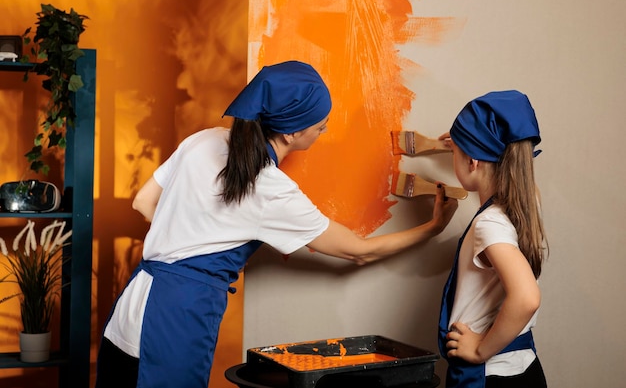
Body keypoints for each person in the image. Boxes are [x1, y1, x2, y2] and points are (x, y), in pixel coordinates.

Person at [95, 60, 458, 388]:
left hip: (136, 301)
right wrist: (433, 228)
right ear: (290, 135)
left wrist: (188, 230)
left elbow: (143, 202)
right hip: (178, 313)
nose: (324, 130)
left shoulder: (203, 140)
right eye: (320, 125)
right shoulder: (269, 188)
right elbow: (358, 252)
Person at [437, 90, 549, 388]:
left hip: (489, 374)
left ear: (473, 161)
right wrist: (465, 142)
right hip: (523, 369)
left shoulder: (489, 223)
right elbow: (515, 161)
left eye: (454, 155)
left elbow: (526, 298)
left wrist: (479, 349)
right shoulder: (527, 203)